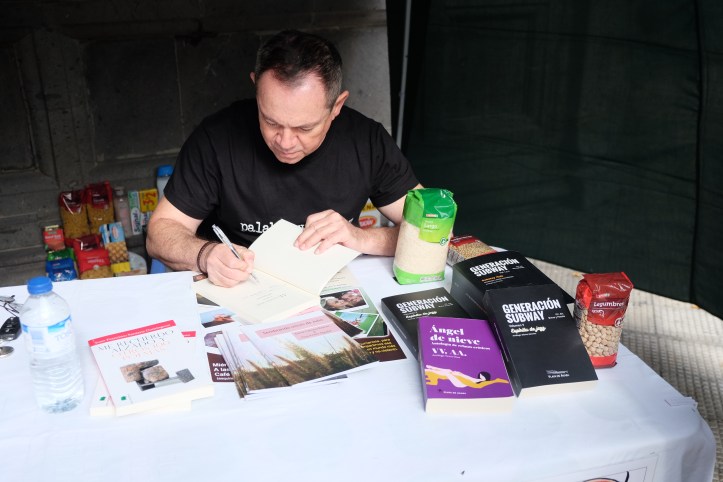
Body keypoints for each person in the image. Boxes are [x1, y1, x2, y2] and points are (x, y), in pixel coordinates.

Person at [146, 29, 422, 288]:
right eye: (271, 121)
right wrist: (205, 254)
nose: (285, 142)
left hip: (333, 286)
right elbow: (160, 233)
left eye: (305, 128)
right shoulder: (217, 139)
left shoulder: (366, 141)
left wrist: (360, 238)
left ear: (337, 106)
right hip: (243, 288)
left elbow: (431, 229)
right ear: (256, 88)